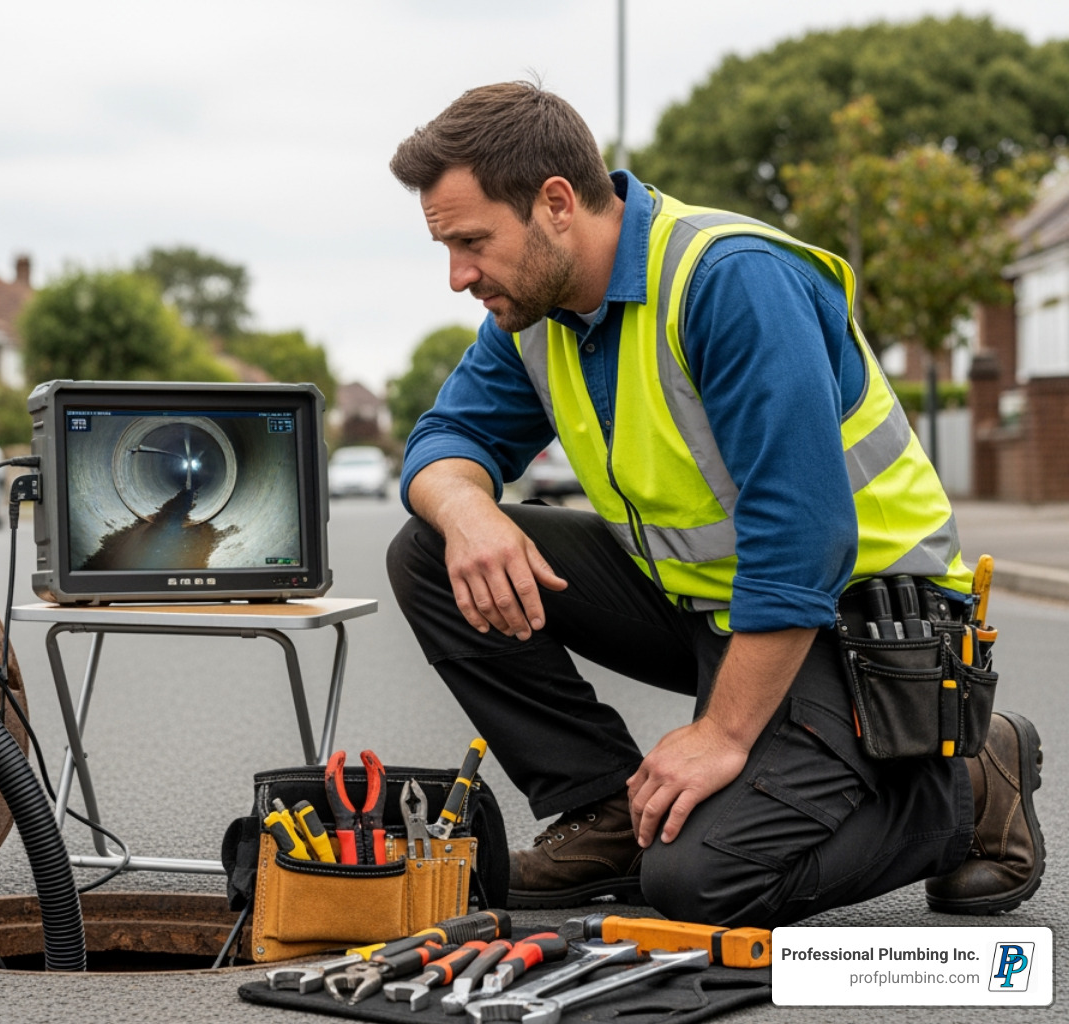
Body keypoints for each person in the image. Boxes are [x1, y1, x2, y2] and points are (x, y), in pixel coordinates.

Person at [384, 81, 1044, 927]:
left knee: (700, 886)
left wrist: (723, 738)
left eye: (472, 242)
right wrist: (468, 510)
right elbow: (443, 441)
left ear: (554, 203)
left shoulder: (732, 281)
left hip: (861, 623)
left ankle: (968, 780)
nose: (458, 276)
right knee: (429, 548)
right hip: (717, 604)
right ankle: (607, 813)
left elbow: (803, 538)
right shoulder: (534, 314)